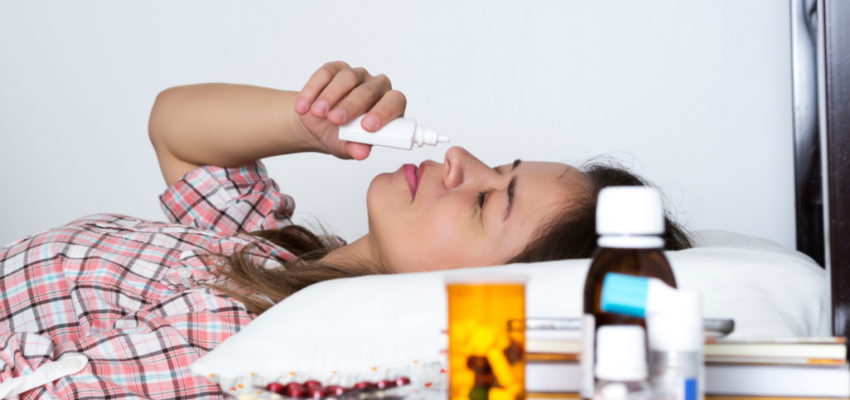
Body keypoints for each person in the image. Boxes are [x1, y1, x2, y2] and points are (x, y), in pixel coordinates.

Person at [0, 61, 691, 399]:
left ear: (482, 296)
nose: (459, 162)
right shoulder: (273, 258)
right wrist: (308, 125)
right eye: (495, 165)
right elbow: (176, 132)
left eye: (487, 203)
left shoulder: (247, 348)